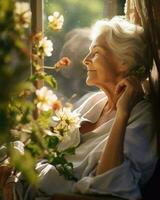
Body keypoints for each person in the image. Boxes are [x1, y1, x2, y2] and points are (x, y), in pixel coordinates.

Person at [0, 16, 158, 200]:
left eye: (95, 52)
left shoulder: (142, 118)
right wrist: (15, 160)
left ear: (124, 61)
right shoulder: (93, 101)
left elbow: (112, 186)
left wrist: (122, 113)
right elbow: (42, 142)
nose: (85, 60)